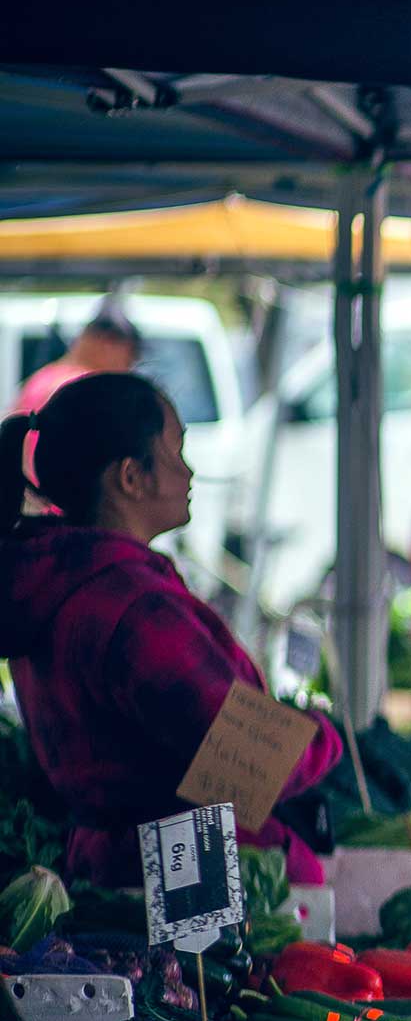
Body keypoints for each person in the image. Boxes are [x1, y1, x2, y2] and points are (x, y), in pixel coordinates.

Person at [0, 374, 343, 886]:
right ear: (131, 478)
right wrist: (323, 734)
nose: (189, 470)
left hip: (110, 871)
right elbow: (250, 766)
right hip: (184, 876)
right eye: (176, 449)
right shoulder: (129, 603)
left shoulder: (56, 580)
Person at [13, 312, 140, 497]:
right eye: (130, 355)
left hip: (30, 499)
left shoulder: (41, 378)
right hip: (60, 502)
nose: (129, 367)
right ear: (107, 342)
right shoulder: (82, 387)